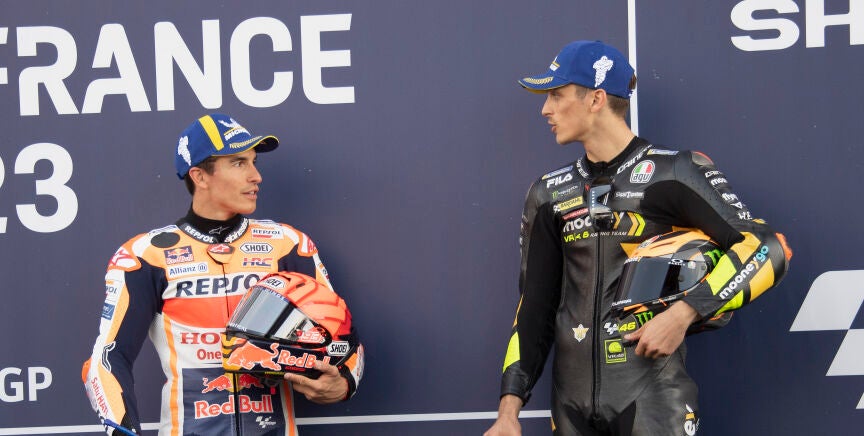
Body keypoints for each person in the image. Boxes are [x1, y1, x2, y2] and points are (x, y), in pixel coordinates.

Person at [484, 40, 791, 435]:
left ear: (596, 99)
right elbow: (533, 309)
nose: (546, 109)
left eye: (557, 95)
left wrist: (684, 314)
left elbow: (767, 248)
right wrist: (508, 412)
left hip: (652, 400)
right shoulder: (548, 193)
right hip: (570, 408)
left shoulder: (672, 172)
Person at [82, 113, 364, 435]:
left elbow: (343, 337)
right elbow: (106, 360)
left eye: (254, 162)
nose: (256, 176)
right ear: (200, 176)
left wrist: (344, 382)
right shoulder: (145, 255)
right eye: (239, 163)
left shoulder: (288, 245)